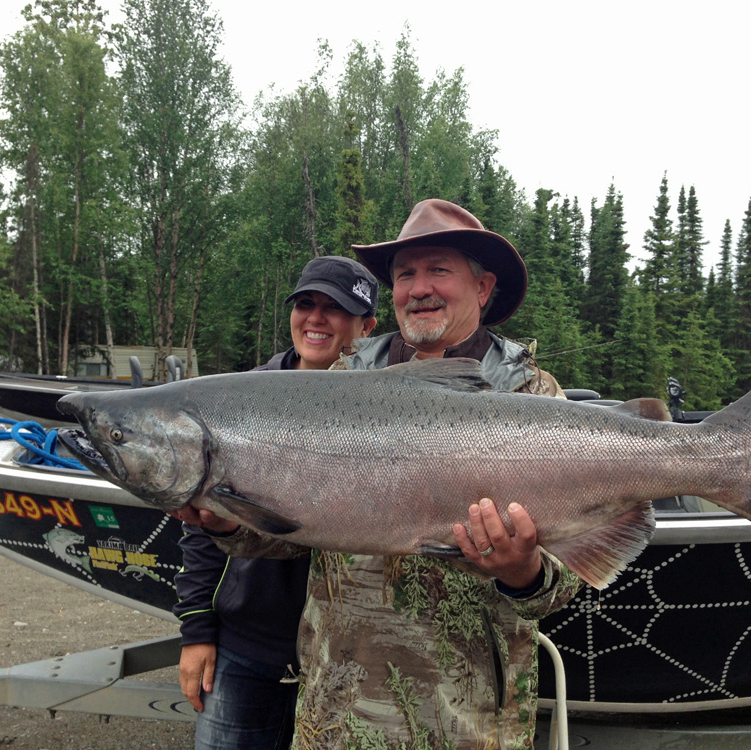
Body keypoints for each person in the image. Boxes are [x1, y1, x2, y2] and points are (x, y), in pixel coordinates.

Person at [175, 199, 582, 749]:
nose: (418, 288)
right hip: (336, 719)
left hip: (468, 726)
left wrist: (523, 571)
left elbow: (562, 587)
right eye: (404, 274)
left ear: (483, 288)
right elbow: (291, 536)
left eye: (438, 269)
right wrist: (227, 527)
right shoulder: (339, 381)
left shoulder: (536, 397)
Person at [172, 255, 379, 750]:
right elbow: (201, 526)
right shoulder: (240, 399)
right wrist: (196, 630)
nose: (316, 318)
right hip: (245, 650)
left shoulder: (381, 402)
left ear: (367, 325)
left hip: (346, 656)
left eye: (336, 308)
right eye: (306, 304)